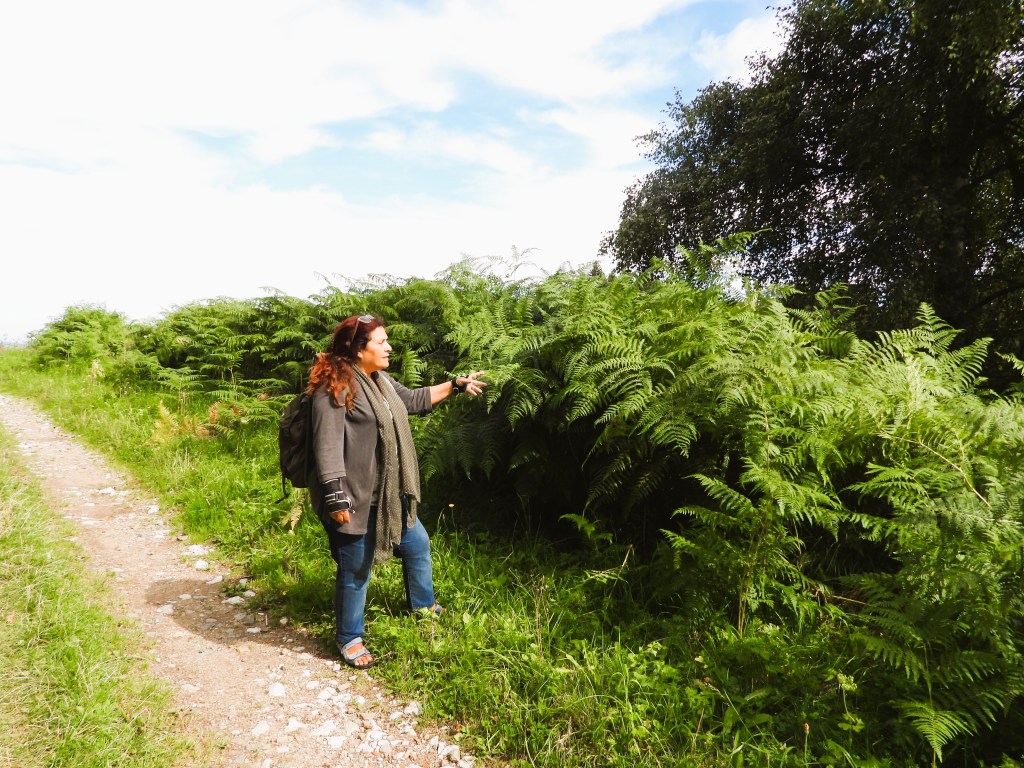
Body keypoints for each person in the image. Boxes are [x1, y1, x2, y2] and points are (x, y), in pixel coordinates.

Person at [305, 314, 486, 669]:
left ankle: (423, 606)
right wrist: (334, 496)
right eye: (381, 342)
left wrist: (456, 385)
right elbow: (325, 447)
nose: (389, 347)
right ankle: (349, 637)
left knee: (417, 544)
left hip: (390, 494)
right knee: (356, 569)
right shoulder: (336, 387)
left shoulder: (380, 382)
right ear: (358, 350)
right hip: (355, 497)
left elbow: (415, 400)